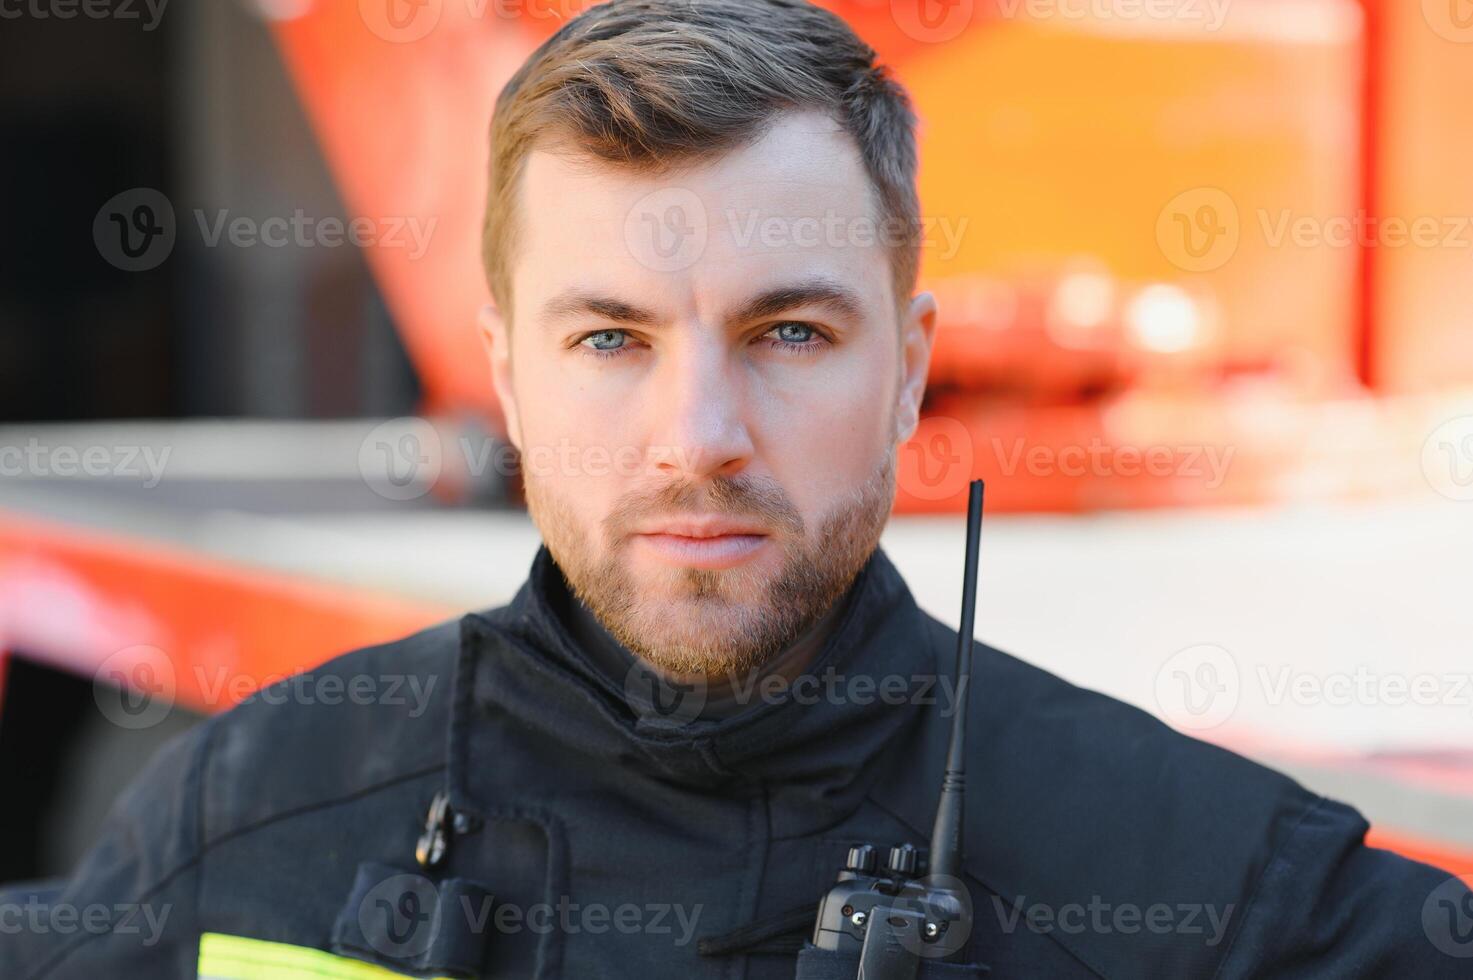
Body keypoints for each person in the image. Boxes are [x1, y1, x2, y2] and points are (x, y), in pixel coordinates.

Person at [4, 1, 1469, 977]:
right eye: (608, 340)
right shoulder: (257, 814)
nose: (696, 434)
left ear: (907, 370)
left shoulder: (1202, 892)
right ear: (506, 377)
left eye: (786, 332)